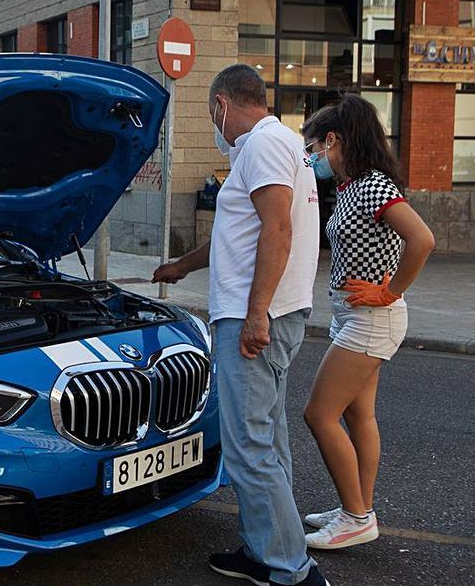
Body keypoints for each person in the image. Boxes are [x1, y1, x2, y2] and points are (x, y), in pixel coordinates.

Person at [152, 64, 326, 586]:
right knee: (267, 441)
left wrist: (255, 315)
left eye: (212, 114)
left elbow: (277, 228)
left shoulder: (263, 145)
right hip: (269, 312)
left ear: (223, 103)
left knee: (250, 446)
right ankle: (261, 549)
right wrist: (183, 266)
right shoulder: (279, 145)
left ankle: (292, 568)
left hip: (257, 319)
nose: (214, 124)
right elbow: (243, 231)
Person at [299, 95, 434, 550]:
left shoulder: (373, 185)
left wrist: (390, 290)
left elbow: (422, 239)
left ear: (333, 140)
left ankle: (357, 517)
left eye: (313, 148)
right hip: (352, 314)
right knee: (359, 415)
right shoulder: (352, 186)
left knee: (319, 414)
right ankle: (358, 508)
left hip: (372, 318)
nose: (311, 158)